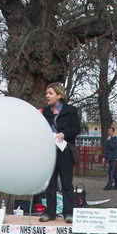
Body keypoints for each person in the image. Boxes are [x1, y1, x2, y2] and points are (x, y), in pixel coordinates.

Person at [38, 83, 81, 224]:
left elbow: (76, 128)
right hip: (49, 152)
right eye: (46, 93)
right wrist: (37, 117)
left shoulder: (71, 110)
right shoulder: (45, 111)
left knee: (66, 183)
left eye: (50, 93)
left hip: (65, 151)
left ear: (59, 95)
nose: (47, 96)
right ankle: (50, 212)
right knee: (50, 183)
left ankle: (68, 212)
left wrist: (64, 133)